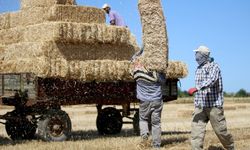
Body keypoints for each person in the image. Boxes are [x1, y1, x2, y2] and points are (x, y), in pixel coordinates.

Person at [188, 45, 235, 150]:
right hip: (200, 106)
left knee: (221, 131)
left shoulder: (214, 66)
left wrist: (197, 88)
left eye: (197, 53)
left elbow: (212, 80)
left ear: (203, 55)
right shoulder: (198, 68)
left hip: (214, 106)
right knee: (196, 132)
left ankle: (231, 147)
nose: (195, 56)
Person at [131, 48, 166, 149]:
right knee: (156, 123)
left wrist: (142, 49)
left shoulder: (136, 71)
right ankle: (156, 146)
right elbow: (163, 81)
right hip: (156, 100)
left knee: (143, 119)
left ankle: (145, 136)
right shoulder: (155, 70)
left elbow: (133, 58)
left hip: (144, 101)